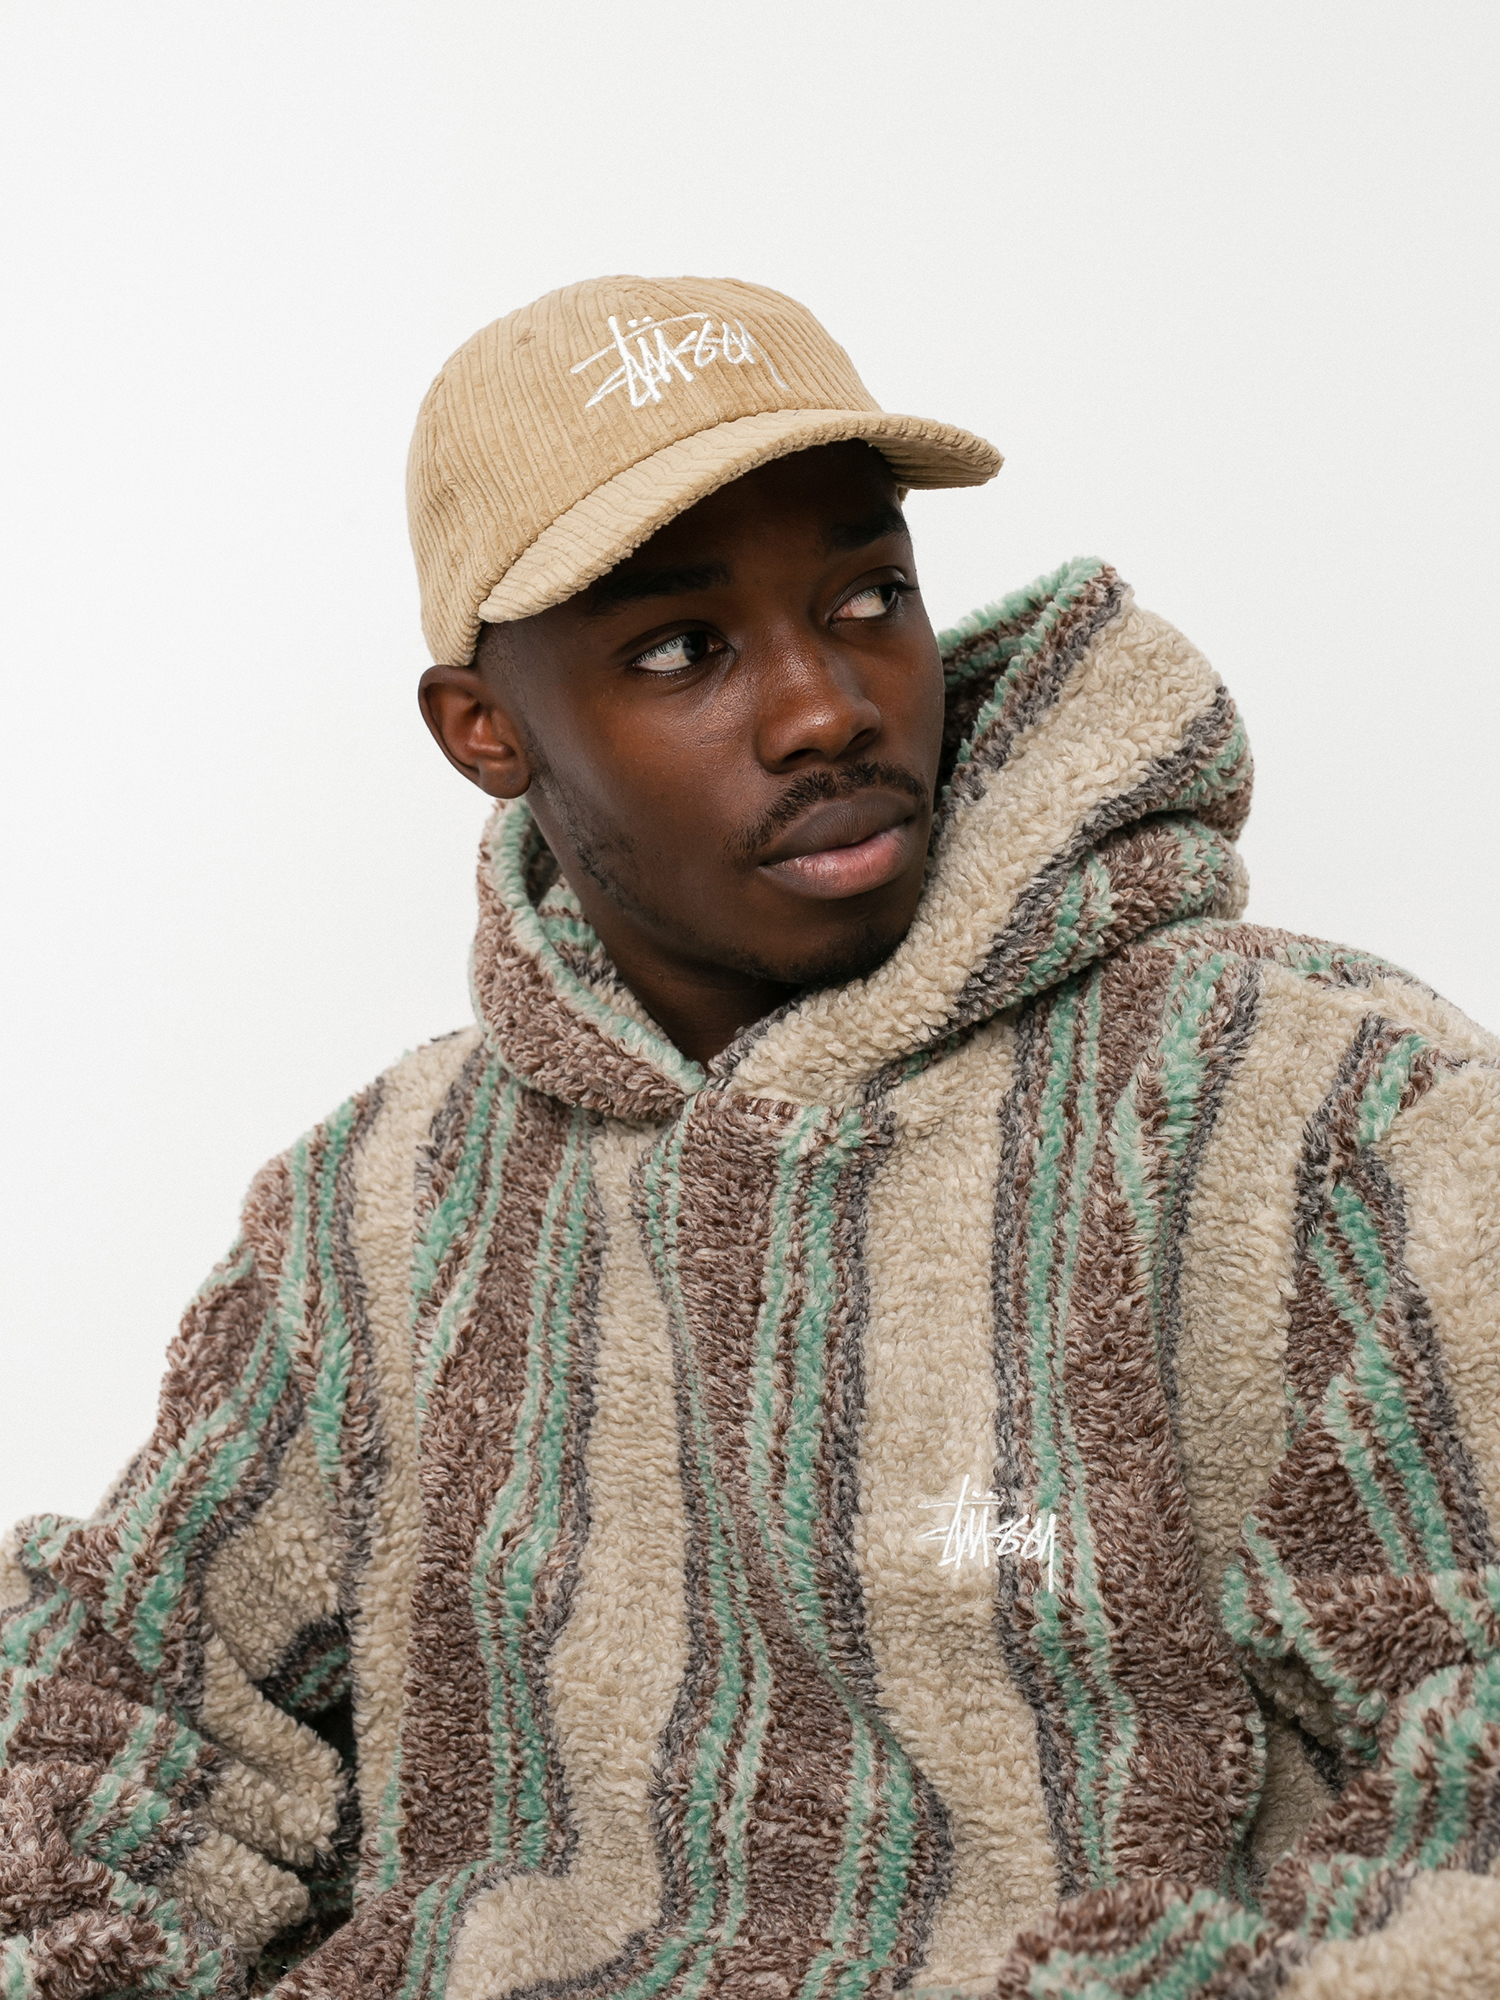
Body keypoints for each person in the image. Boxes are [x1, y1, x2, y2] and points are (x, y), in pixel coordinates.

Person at [3, 275, 1498, 2000]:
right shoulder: (380, 1211)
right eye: (681, 649)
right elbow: (115, 1708)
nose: (825, 707)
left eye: (869, 599)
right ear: (487, 731)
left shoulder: (1313, 1108)